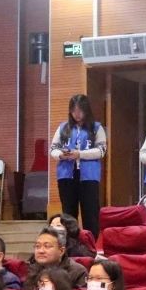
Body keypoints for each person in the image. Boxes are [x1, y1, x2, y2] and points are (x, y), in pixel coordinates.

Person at [50, 93, 108, 236]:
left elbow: (101, 151)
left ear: (86, 110)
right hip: (66, 175)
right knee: (68, 213)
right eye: (74, 110)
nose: (77, 114)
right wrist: (61, 155)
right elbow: (53, 149)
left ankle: (91, 243)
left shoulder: (96, 127)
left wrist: (80, 154)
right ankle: (71, 242)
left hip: (89, 176)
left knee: (90, 212)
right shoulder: (63, 127)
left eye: (80, 110)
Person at [24, 227, 89, 290]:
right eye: (37, 246)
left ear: (61, 251)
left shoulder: (78, 272)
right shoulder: (31, 270)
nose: (41, 251)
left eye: (47, 246)